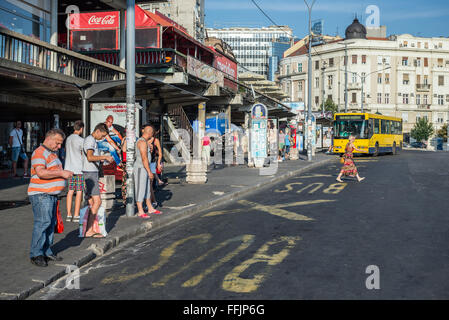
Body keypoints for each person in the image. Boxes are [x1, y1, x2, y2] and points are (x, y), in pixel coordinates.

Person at [28, 129, 73, 267]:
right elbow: (41, 173)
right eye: (58, 143)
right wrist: (61, 172)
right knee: (43, 223)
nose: (59, 146)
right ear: (50, 138)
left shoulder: (51, 154)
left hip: (50, 195)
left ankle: (46, 251)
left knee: (50, 224)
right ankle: (36, 254)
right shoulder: (40, 152)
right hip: (41, 194)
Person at [83, 123, 114, 238]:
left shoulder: (92, 140)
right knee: (98, 202)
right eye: (103, 135)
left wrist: (102, 161)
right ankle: (89, 230)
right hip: (90, 173)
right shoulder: (90, 140)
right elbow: (90, 157)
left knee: (92, 202)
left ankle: (89, 228)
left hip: (90, 172)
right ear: (97, 131)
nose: (103, 138)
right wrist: (104, 157)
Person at [135, 124, 161, 217]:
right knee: (140, 189)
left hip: (145, 168)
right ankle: (140, 210)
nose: (153, 135)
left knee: (147, 189)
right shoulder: (142, 142)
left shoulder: (145, 142)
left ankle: (150, 208)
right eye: (152, 133)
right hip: (140, 168)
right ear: (150, 133)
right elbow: (144, 158)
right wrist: (150, 171)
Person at [64, 121, 85, 223]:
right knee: (79, 191)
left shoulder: (68, 138)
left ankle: (68, 214)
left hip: (69, 168)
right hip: (79, 168)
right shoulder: (81, 140)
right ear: (81, 128)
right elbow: (83, 154)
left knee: (70, 191)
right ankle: (76, 215)